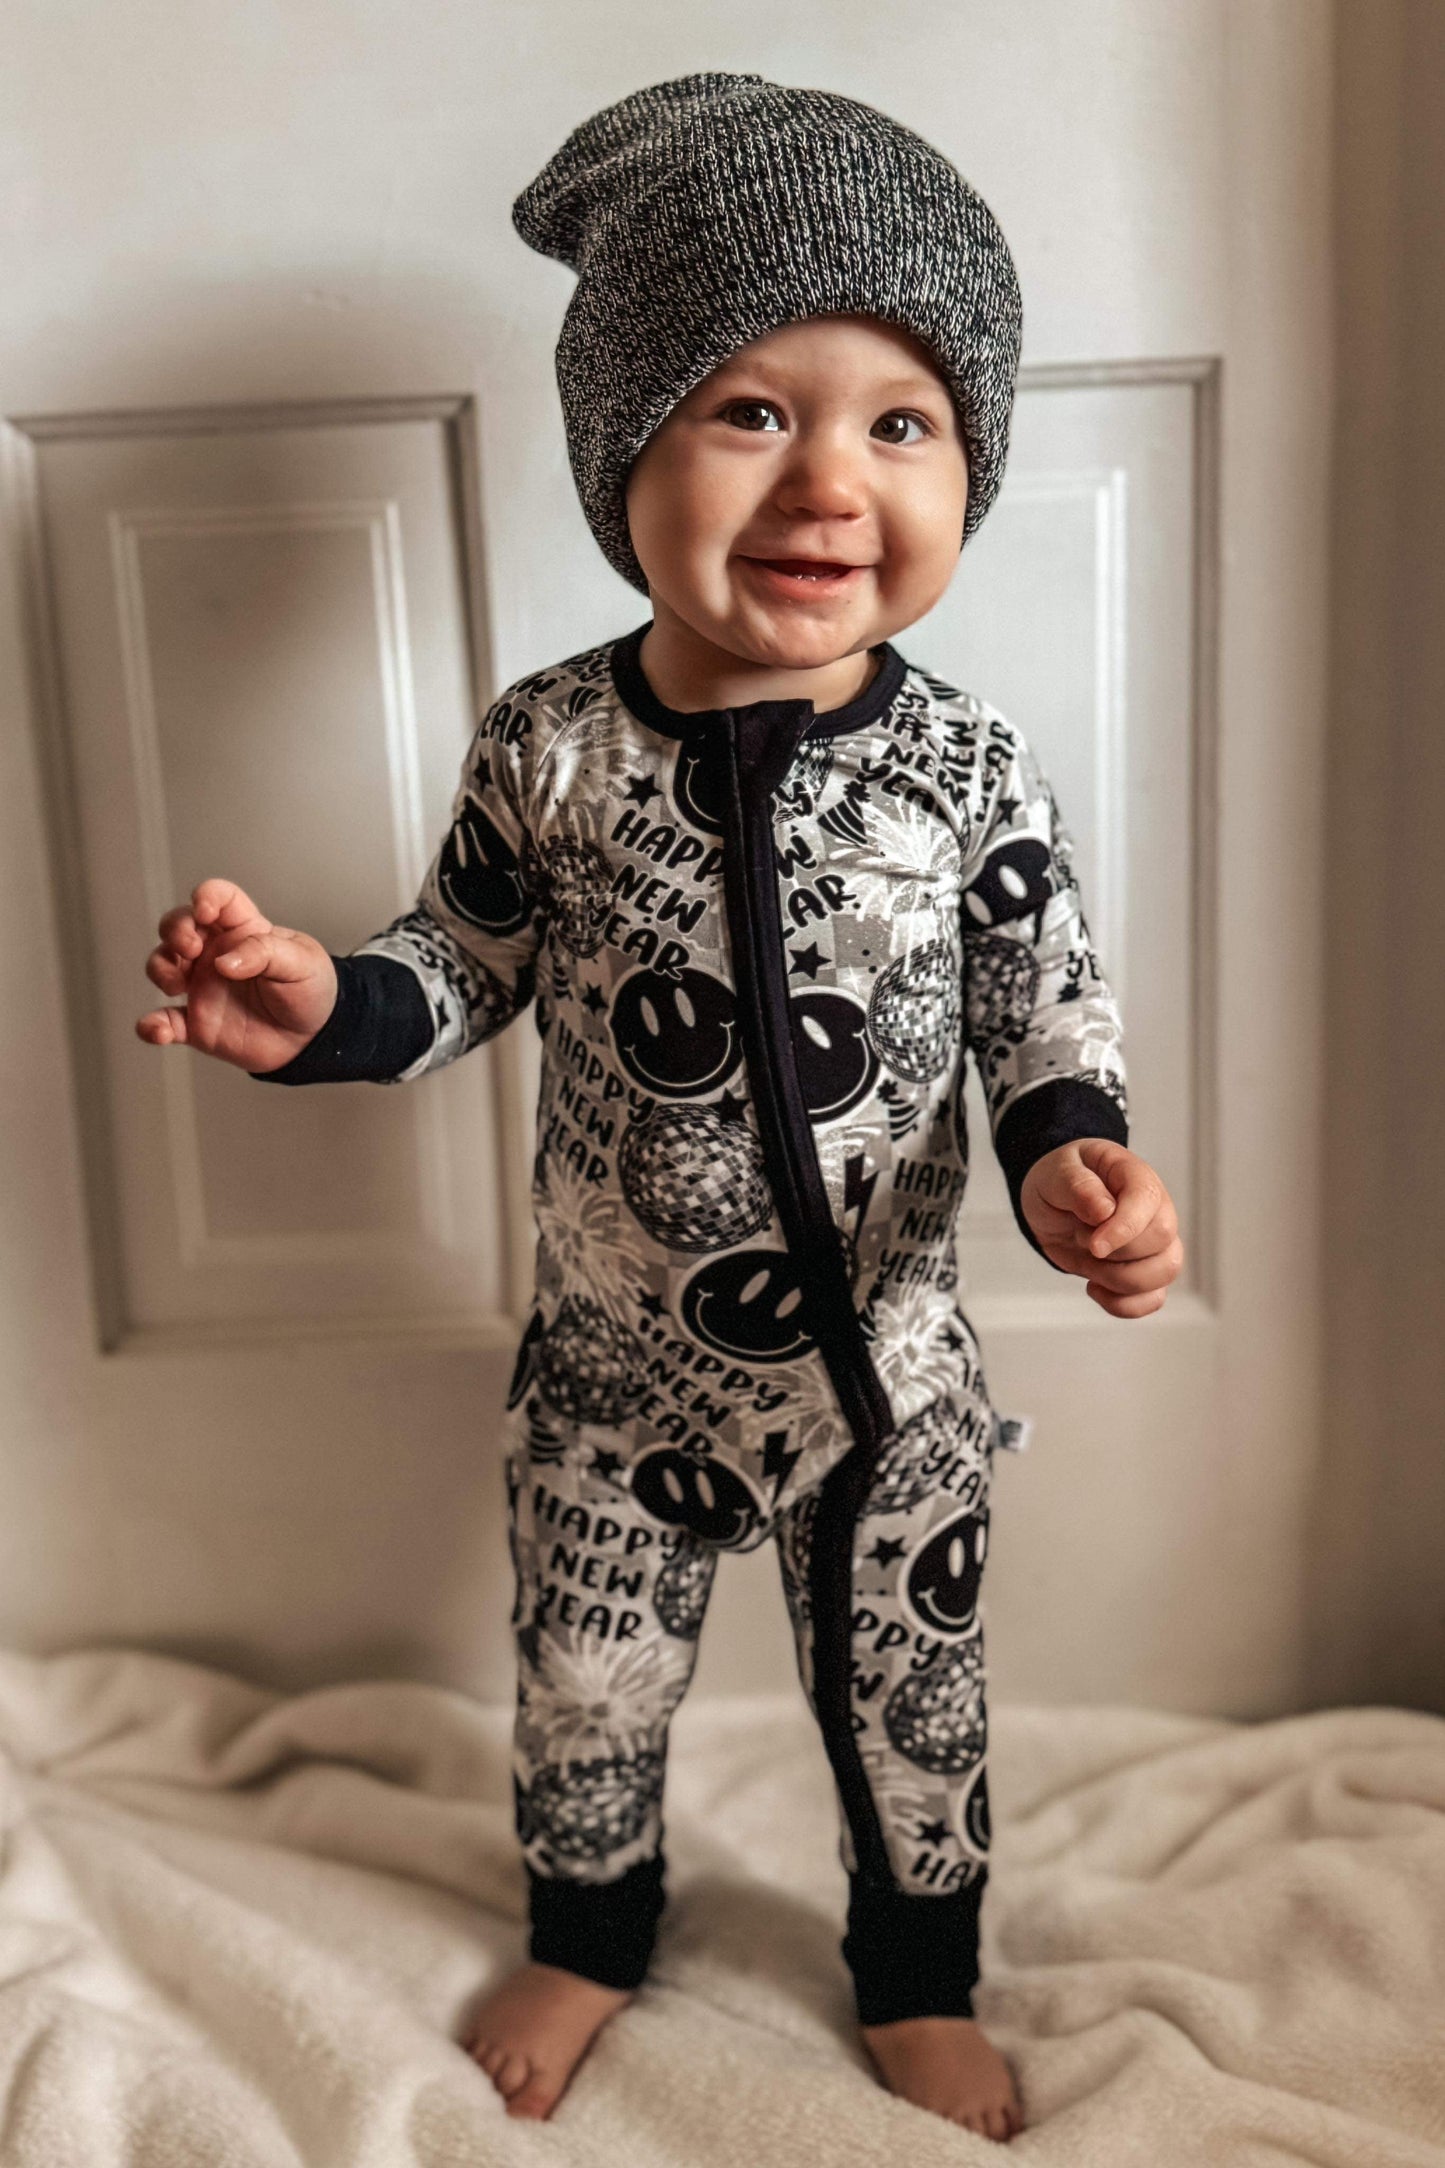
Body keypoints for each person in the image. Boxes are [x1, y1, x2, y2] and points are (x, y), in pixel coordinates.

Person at [135, 72, 1184, 2144]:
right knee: (583, 1689)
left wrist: (1080, 1165)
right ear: (624, 446)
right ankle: (592, 1932)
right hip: (614, 1379)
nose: (829, 483)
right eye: (751, 410)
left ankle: (917, 1975)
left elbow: (1039, 1009)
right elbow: (459, 962)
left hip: (891, 1383)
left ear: (969, 463)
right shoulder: (551, 748)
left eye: (903, 423)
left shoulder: (971, 769)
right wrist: (322, 1007)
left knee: (914, 1700)